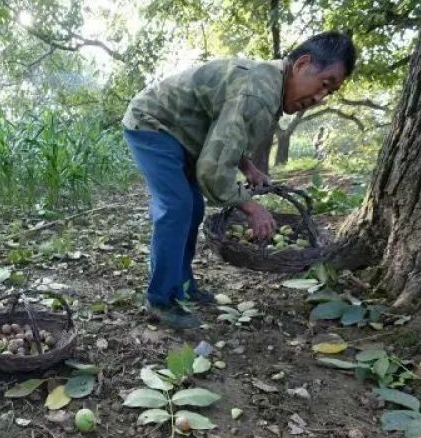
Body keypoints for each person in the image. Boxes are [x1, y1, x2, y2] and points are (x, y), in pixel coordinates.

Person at [122, 32, 356, 329]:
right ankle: (159, 299)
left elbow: (224, 127)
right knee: (178, 206)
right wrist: (250, 206)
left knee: (193, 207)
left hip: (182, 132)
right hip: (153, 123)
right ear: (302, 64)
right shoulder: (259, 93)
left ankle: (181, 284)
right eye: (325, 84)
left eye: (330, 93)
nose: (320, 98)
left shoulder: (270, 83)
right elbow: (213, 169)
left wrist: (247, 167)